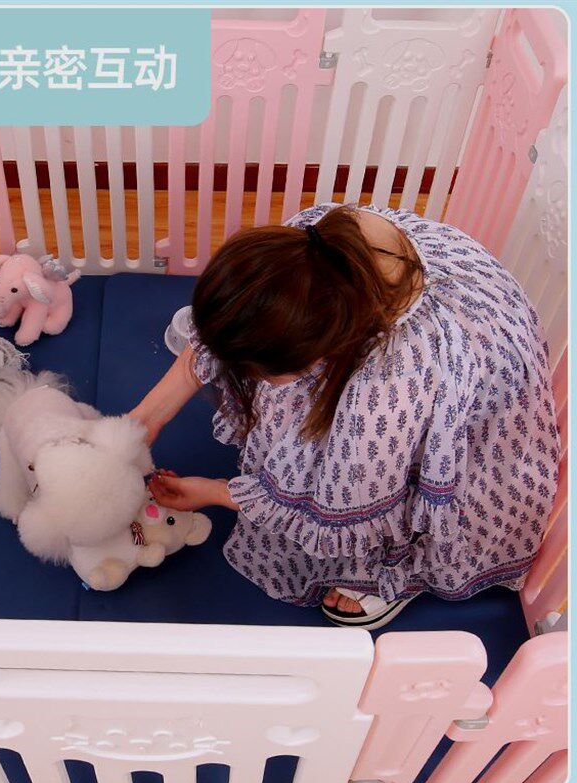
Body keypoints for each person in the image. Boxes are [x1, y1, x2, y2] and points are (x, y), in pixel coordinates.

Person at [130, 203, 560, 630]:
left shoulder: (388, 389)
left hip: (475, 435)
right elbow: (221, 336)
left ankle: (396, 575)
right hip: (431, 339)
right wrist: (145, 419)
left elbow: (343, 503)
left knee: (356, 511)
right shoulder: (309, 247)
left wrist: (213, 492)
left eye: (263, 371)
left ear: (322, 352)